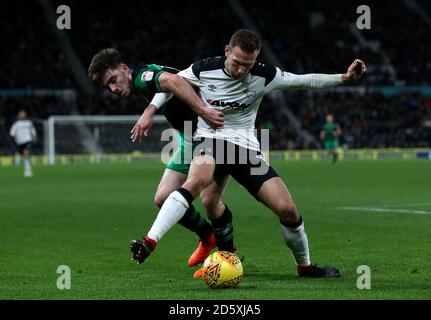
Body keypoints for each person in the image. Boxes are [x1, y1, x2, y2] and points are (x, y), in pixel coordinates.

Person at [131, 29, 366, 278]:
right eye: (237, 63)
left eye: (248, 64)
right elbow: (170, 83)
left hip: (246, 150)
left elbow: (304, 80)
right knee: (197, 184)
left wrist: (345, 78)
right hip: (211, 140)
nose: (242, 70)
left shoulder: (264, 75)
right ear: (227, 51)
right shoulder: (203, 69)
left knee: (288, 210)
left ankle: (305, 267)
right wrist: (150, 110)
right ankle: (150, 241)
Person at [87, 48, 235, 274]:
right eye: (108, 87)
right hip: (189, 139)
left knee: (209, 201)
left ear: (125, 69)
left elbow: (173, 81)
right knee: (163, 197)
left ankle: (228, 257)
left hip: (213, 136)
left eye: (114, 80)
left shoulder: (141, 77)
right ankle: (208, 238)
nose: (113, 89)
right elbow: (166, 83)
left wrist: (150, 110)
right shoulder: (141, 82)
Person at [9, 110, 37, 177]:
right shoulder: (16, 124)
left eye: (23, 114)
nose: (22, 115)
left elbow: (33, 130)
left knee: (26, 152)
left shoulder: (29, 123)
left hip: (27, 140)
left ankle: (28, 168)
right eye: (21, 114)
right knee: (23, 155)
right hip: (19, 141)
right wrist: (15, 138)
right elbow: (12, 133)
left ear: (25, 115)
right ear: (18, 116)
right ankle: (27, 166)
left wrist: (34, 137)